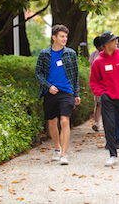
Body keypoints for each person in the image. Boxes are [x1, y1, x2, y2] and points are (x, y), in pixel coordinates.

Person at [89, 31, 119, 167]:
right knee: (109, 126)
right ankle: (112, 154)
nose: (116, 42)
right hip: (108, 98)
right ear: (106, 44)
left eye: (116, 40)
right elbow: (93, 82)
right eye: (113, 41)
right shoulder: (98, 61)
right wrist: (102, 94)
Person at [35, 24, 80, 165]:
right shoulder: (44, 54)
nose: (64, 39)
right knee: (52, 122)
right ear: (54, 37)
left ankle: (64, 154)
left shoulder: (70, 54)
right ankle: (57, 148)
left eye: (66, 36)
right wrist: (48, 87)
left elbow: (75, 75)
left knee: (65, 121)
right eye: (62, 36)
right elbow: (38, 73)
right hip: (51, 92)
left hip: (67, 91)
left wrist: (76, 94)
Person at [89, 36, 104, 132]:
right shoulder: (94, 54)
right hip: (98, 83)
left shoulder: (108, 53)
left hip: (107, 82)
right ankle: (97, 122)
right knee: (98, 103)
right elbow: (91, 68)